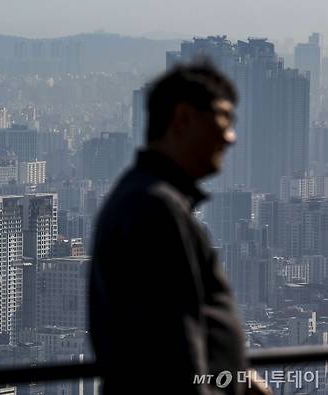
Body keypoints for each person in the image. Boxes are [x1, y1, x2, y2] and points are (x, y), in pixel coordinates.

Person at [89, 63, 269, 394]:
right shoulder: (154, 208)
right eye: (224, 119)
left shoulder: (149, 197)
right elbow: (175, 346)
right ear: (184, 119)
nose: (230, 137)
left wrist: (239, 378)